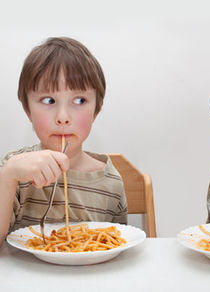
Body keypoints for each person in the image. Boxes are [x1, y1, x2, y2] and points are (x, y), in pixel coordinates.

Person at [0, 37, 127, 246]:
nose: (63, 116)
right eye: (48, 100)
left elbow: (117, 246)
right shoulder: (13, 169)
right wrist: (7, 177)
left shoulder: (111, 183)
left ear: (96, 110)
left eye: (79, 101)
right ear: (27, 110)